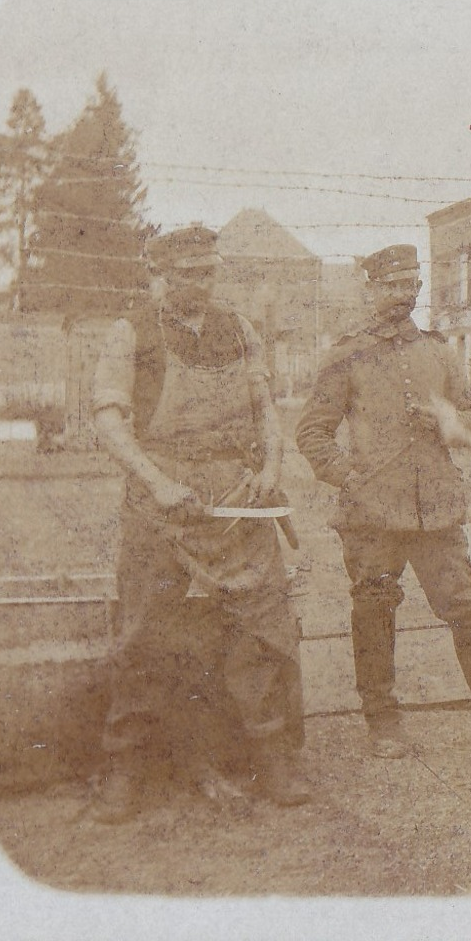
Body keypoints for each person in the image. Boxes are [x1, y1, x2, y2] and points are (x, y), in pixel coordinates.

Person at [87, 224, 309, 824]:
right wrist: (157, 483)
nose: (199, 284)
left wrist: (270, 465)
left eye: (208, 272)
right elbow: (108, 418)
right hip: (162, 500)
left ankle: (273, 754)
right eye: (187, 273)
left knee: (259, 627)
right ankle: (125, 766)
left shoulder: (239, 329)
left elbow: (267, 410)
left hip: (237, 497)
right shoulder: (130, 332)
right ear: (162, 274)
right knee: (143, 631)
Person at [295, 243, 471, 758]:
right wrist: (346, 477)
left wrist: (450, 425)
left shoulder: (439, 351)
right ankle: (383, 722)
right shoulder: (346, 355)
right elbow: (312, 433)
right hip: (372, 515)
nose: (402, 296)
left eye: (409, 285)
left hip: (436, 510)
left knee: (467, 607)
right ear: (370, 290)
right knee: (374, 610)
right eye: (391, 286)